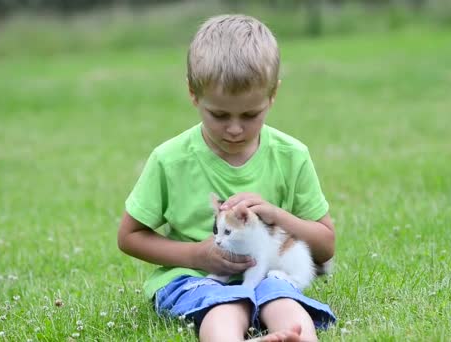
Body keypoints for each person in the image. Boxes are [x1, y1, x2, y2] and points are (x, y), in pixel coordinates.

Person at [117, 14, 336, 342]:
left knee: (284, 300)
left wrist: (276, 216)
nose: (235, 129)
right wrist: (195, 255)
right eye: (219, 115)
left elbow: (325, 244)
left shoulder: (292, 155)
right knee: (222, 306)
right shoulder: (170, 159)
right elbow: (129, 236)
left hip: (268, 275)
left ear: (273, 95)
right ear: (193, 95)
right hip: (196, 278)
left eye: (250, 115)